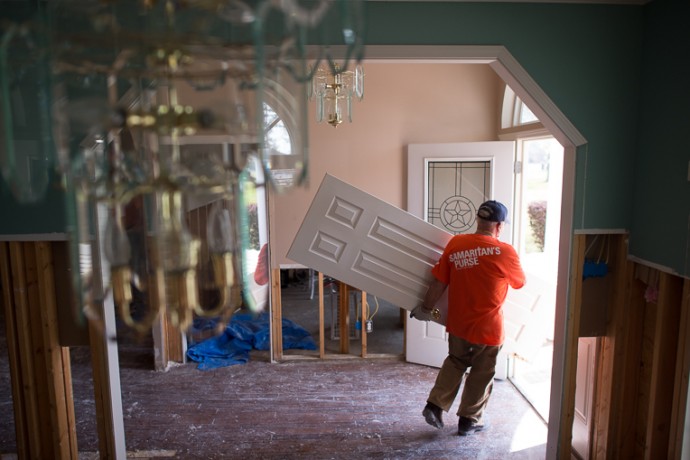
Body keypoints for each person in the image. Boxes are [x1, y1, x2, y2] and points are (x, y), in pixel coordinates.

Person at [413, 200, 525, 436]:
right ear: (499, 225)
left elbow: (439, 282)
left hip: (459, 324)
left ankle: (434, 405)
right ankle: (468, 421)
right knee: (482, 373)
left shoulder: (457, 243)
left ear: (478, 220)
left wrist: (425, 308)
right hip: (489, 328)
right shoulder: (505, 252)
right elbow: (519, 283)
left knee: (455, 361)